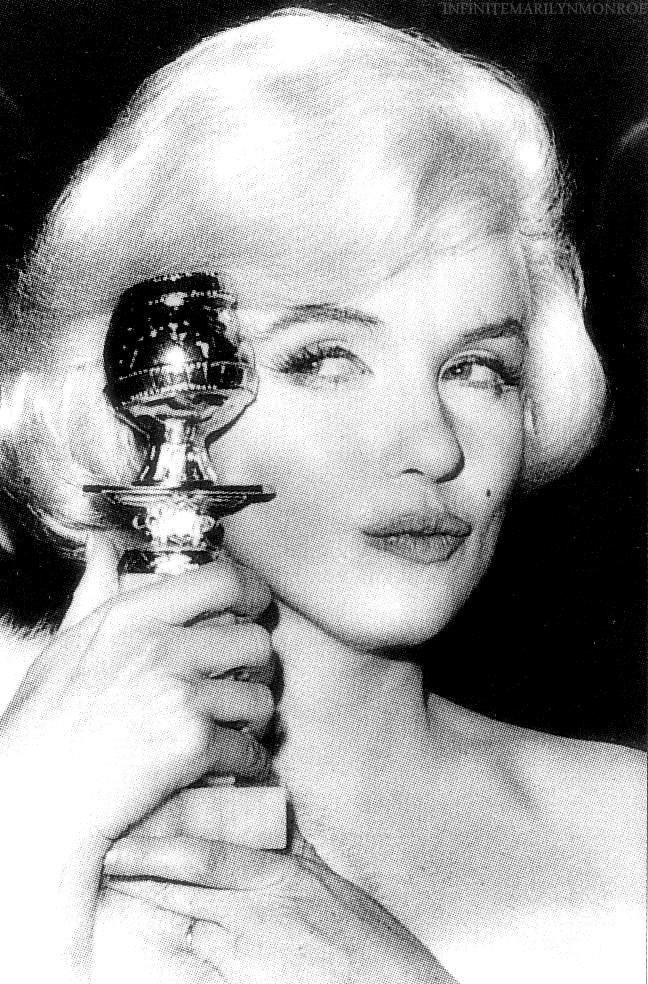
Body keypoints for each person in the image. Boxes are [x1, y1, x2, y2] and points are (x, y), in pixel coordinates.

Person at [0, 8, 644, 984]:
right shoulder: (26, 798)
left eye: (478, 368)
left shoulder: (626, 830)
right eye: (326, 358)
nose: (433, 446)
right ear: (155, 386)